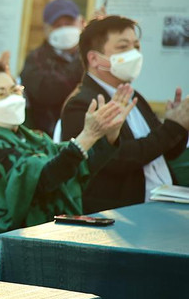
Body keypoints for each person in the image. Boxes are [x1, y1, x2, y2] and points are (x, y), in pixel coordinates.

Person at [0, 60, 133, 251]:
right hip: (10, 248)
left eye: (15, 90)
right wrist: (87, 136)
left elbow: (74, 166)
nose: (14, 97)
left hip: (45, 238)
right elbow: (42, 181)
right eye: (1, 94)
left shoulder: (29, 136)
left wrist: (109, 135)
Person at [61, 16, 189, 212]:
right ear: (95, 59)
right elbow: (117, 159)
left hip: (163, 205)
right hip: (121, 215)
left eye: (136, 46)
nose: (134, 54)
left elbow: (163, 151)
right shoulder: (82, 103)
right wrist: (171, 129)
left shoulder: (134, 96)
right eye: (123, 47)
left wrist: (179, 124)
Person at [21, 0, 86, 135]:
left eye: (69, 23)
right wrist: (84, 59)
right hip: (50, 137)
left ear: (81, 23)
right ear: (46, 30)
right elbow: (47, 91)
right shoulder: (35, 59)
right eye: (57, 25)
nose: (64, 29)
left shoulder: (93, 55)